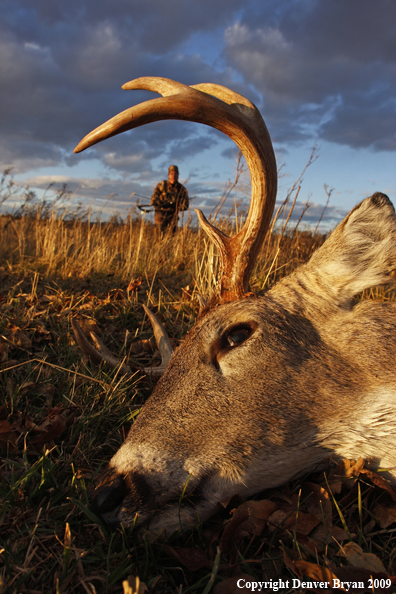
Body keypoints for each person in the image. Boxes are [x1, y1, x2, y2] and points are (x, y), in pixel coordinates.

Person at [151, 165, 189, 235]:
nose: (173, 175)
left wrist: (176, 205)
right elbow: (154, 196)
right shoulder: (161, 185)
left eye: (175, 174)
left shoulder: (182, 189)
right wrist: (157, 200)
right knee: (159, 234)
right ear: (168, 175)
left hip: (173, 215)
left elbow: (186, 205)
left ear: (178, 175)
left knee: (171, 235)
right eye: (171, 174)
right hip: (160, 214)